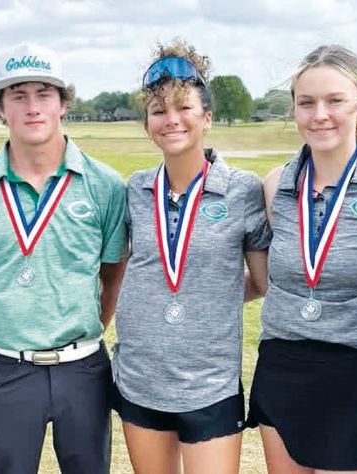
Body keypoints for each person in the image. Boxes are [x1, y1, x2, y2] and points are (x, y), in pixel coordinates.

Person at [246, 45, 357, 474]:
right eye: (306, 103)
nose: (320, 115)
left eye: (335, 100)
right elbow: (269, 276)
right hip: (283, 364)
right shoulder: (276, 185)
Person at [0, 42, 127, 474]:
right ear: (0, 108)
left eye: (44, 94)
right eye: (18, 95)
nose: (32, 107)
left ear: (63, 103)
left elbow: (112, 273)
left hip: (83, 368)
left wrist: (85, 329)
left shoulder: (105, 184)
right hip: (7, 367)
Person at [112, 41, 270, 474]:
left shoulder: (242, 190)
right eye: (158, 110)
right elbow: (123, 270)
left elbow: (261, 281)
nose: (171, 119)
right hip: (141, 377)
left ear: (207, 118)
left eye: (184, 107)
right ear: (147, 124)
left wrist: (208, 293)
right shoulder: (135, 190)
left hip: (209, 383)